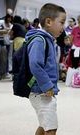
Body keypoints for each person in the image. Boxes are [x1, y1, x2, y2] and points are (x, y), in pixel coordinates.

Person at [26, 3, 66, 135]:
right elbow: (35, 64)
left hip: (44, 91)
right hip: (41, 91)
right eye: (61, 22)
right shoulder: (39, 40)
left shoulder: (48, 40)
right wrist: (47, 86)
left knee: (44, 125)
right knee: (51, 128)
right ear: (48, 22)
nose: (63, 27)